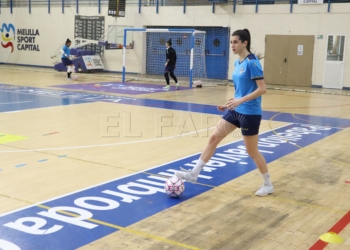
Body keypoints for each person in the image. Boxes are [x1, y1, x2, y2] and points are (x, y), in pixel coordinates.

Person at [175, 29, 274, 197]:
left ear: (245, 43)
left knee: (252, 151)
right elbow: (241, 91)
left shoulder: (252, 62)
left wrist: (240, 101)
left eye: (235, 42)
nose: (232, 45)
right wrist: (230, 103)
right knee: (214, 137)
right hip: (235, 110)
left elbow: (262, 89)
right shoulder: (238, 63)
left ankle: (268, 184)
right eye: (231, 42)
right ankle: (194, 174)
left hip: (250, 113)